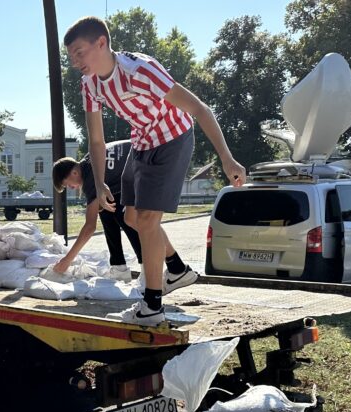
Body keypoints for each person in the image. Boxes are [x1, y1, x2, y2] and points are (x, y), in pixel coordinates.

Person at [64, 16, 246, 326]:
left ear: (101, 43)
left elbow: (199, 108)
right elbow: (96, 140)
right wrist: (98, 181)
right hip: (142, 141)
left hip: (173, 138)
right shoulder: (89, 84)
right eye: (70, 56)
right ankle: (176, 269)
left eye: (80, 52)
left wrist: (227, 158)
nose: (75, 61)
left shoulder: (141, 70)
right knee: (132, 217)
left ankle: (151, 306)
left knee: (147, 219)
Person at [51, 140, 143, 281]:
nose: (71, 188)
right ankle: (118, 267)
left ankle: (148, 270)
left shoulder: (90, 179)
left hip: (149, 163)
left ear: (74, 172)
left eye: (67, 184)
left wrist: (66, 261)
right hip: (139, 160)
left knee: (126, 219)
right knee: (106, 210)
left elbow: (89, 227)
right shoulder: (88, 160)